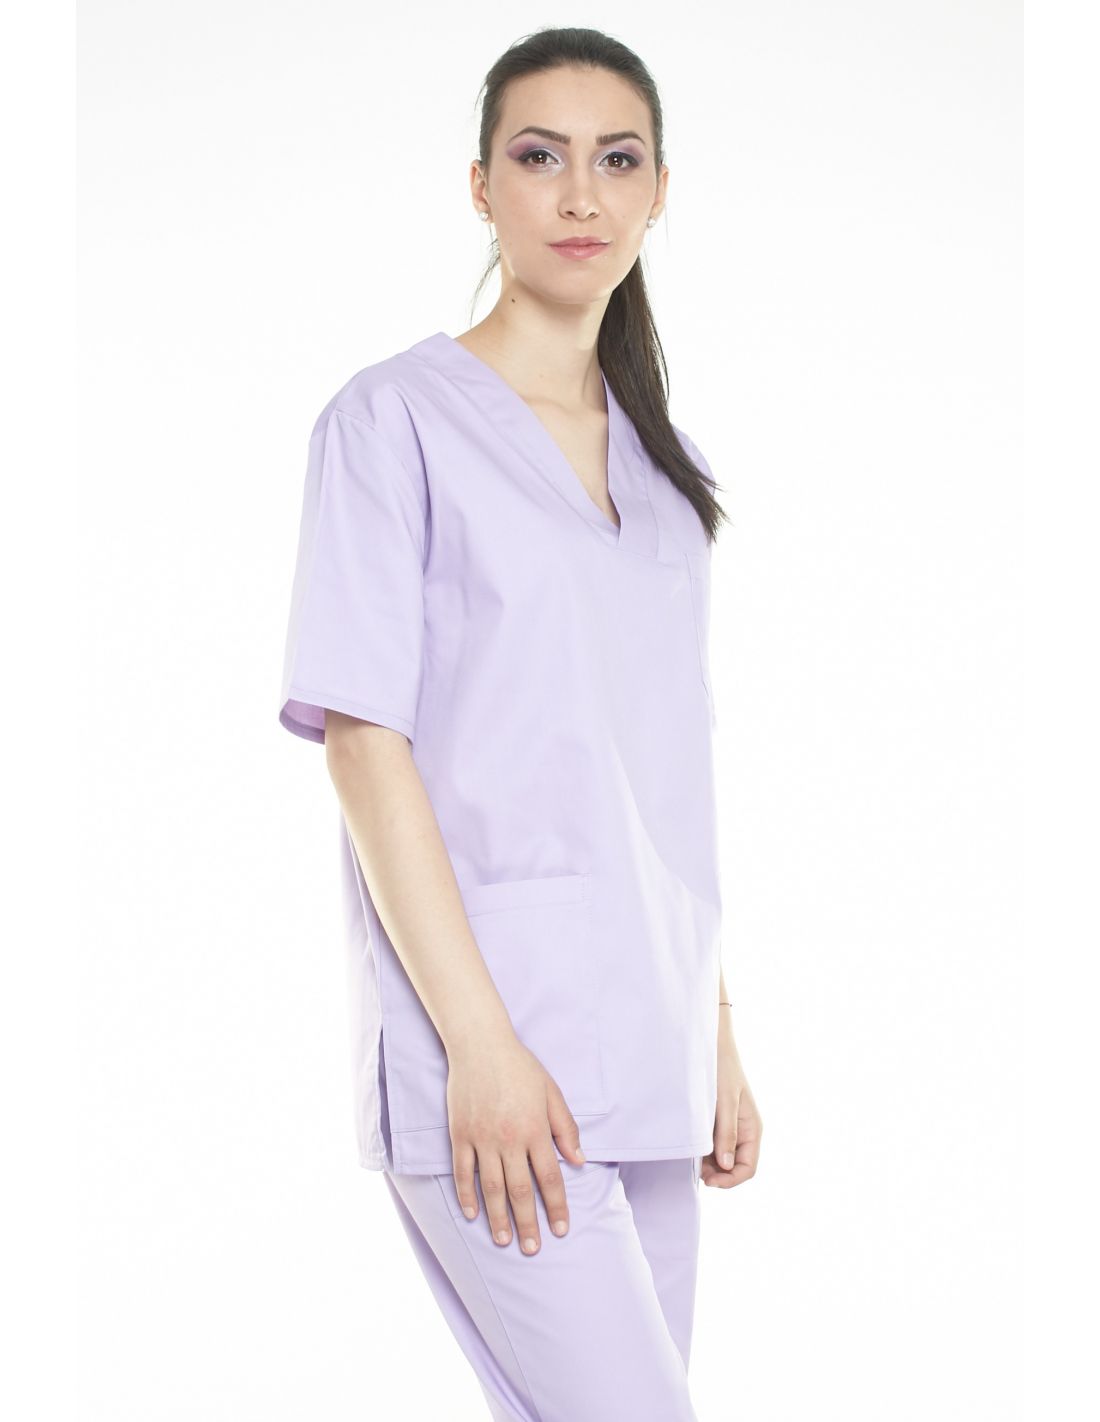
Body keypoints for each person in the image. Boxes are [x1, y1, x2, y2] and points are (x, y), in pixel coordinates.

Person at [278, 25, 763, 1421]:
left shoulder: (671, 475)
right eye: (540, 156)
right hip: (492, 1050)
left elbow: (662, 775)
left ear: (660, 191)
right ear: (482, 186)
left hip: (654, 1050)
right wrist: (480, 1046)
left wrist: (718, 1031)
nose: (580, 195)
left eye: (618, 160)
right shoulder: (391, 424)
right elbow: (365, 746)